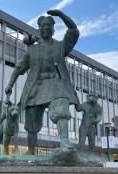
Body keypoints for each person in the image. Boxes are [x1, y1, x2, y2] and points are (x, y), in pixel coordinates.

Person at [5, 9, 80, 155]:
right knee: (31, 123)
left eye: (49, 26)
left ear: (53, 29)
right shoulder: (32, 50)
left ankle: (64, 140)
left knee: (60, 110)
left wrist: (61, 15)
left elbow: (73, 30)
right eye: (43, 26)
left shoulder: (61, 46)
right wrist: (9, 85)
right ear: (39, 30)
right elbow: (19, 68)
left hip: (56, 84)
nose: (46, 28)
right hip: (36, 87)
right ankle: (31, 150)